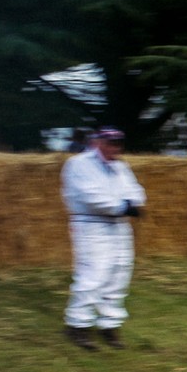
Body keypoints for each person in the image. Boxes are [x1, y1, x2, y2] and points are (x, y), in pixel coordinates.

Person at [62, 127, 146, 351]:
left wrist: (132, 203)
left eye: (118, 144)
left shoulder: (121, 166)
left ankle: (110, 324)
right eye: (110, 143)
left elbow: (136, 191)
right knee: (93, 274)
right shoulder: (79, 164)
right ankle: (78, 324)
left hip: (119, 225)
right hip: (92, 224)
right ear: (98, 142)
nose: (115, 148)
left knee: (120, 271)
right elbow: (90, 196)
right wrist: (123, 205)